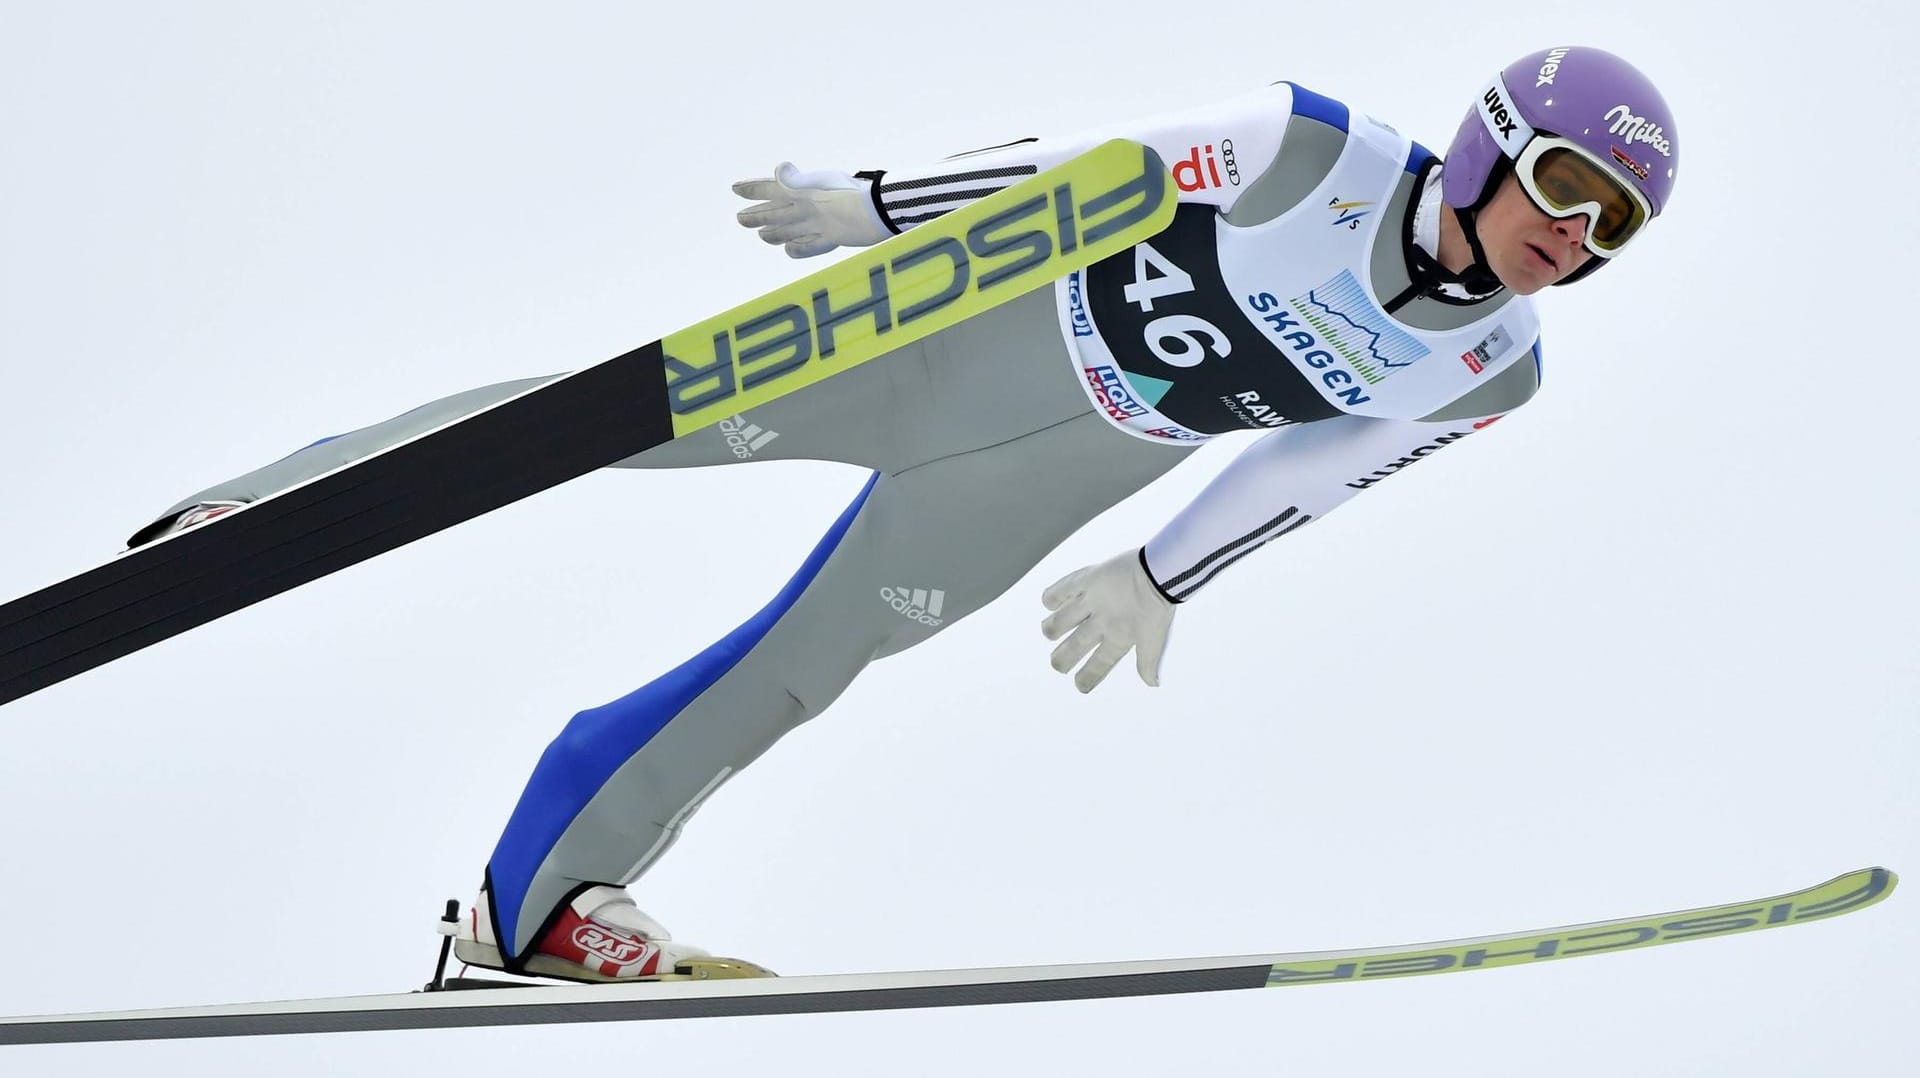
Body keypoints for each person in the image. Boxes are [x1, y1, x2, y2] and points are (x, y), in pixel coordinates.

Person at [132, 46, 1678, 981]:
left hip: (1059, 473)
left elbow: (1312, 473)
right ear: (1489, 141)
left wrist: (1162, 573)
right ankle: (254, 507)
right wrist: (884, 204)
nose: (1569, 235)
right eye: (1562, 183)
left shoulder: (1492, 369)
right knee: (583, 425)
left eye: (1609, 227)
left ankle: (539, 901)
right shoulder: (1309, 145)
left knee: (806, 666)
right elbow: (1090, 175)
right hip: (955, 349)